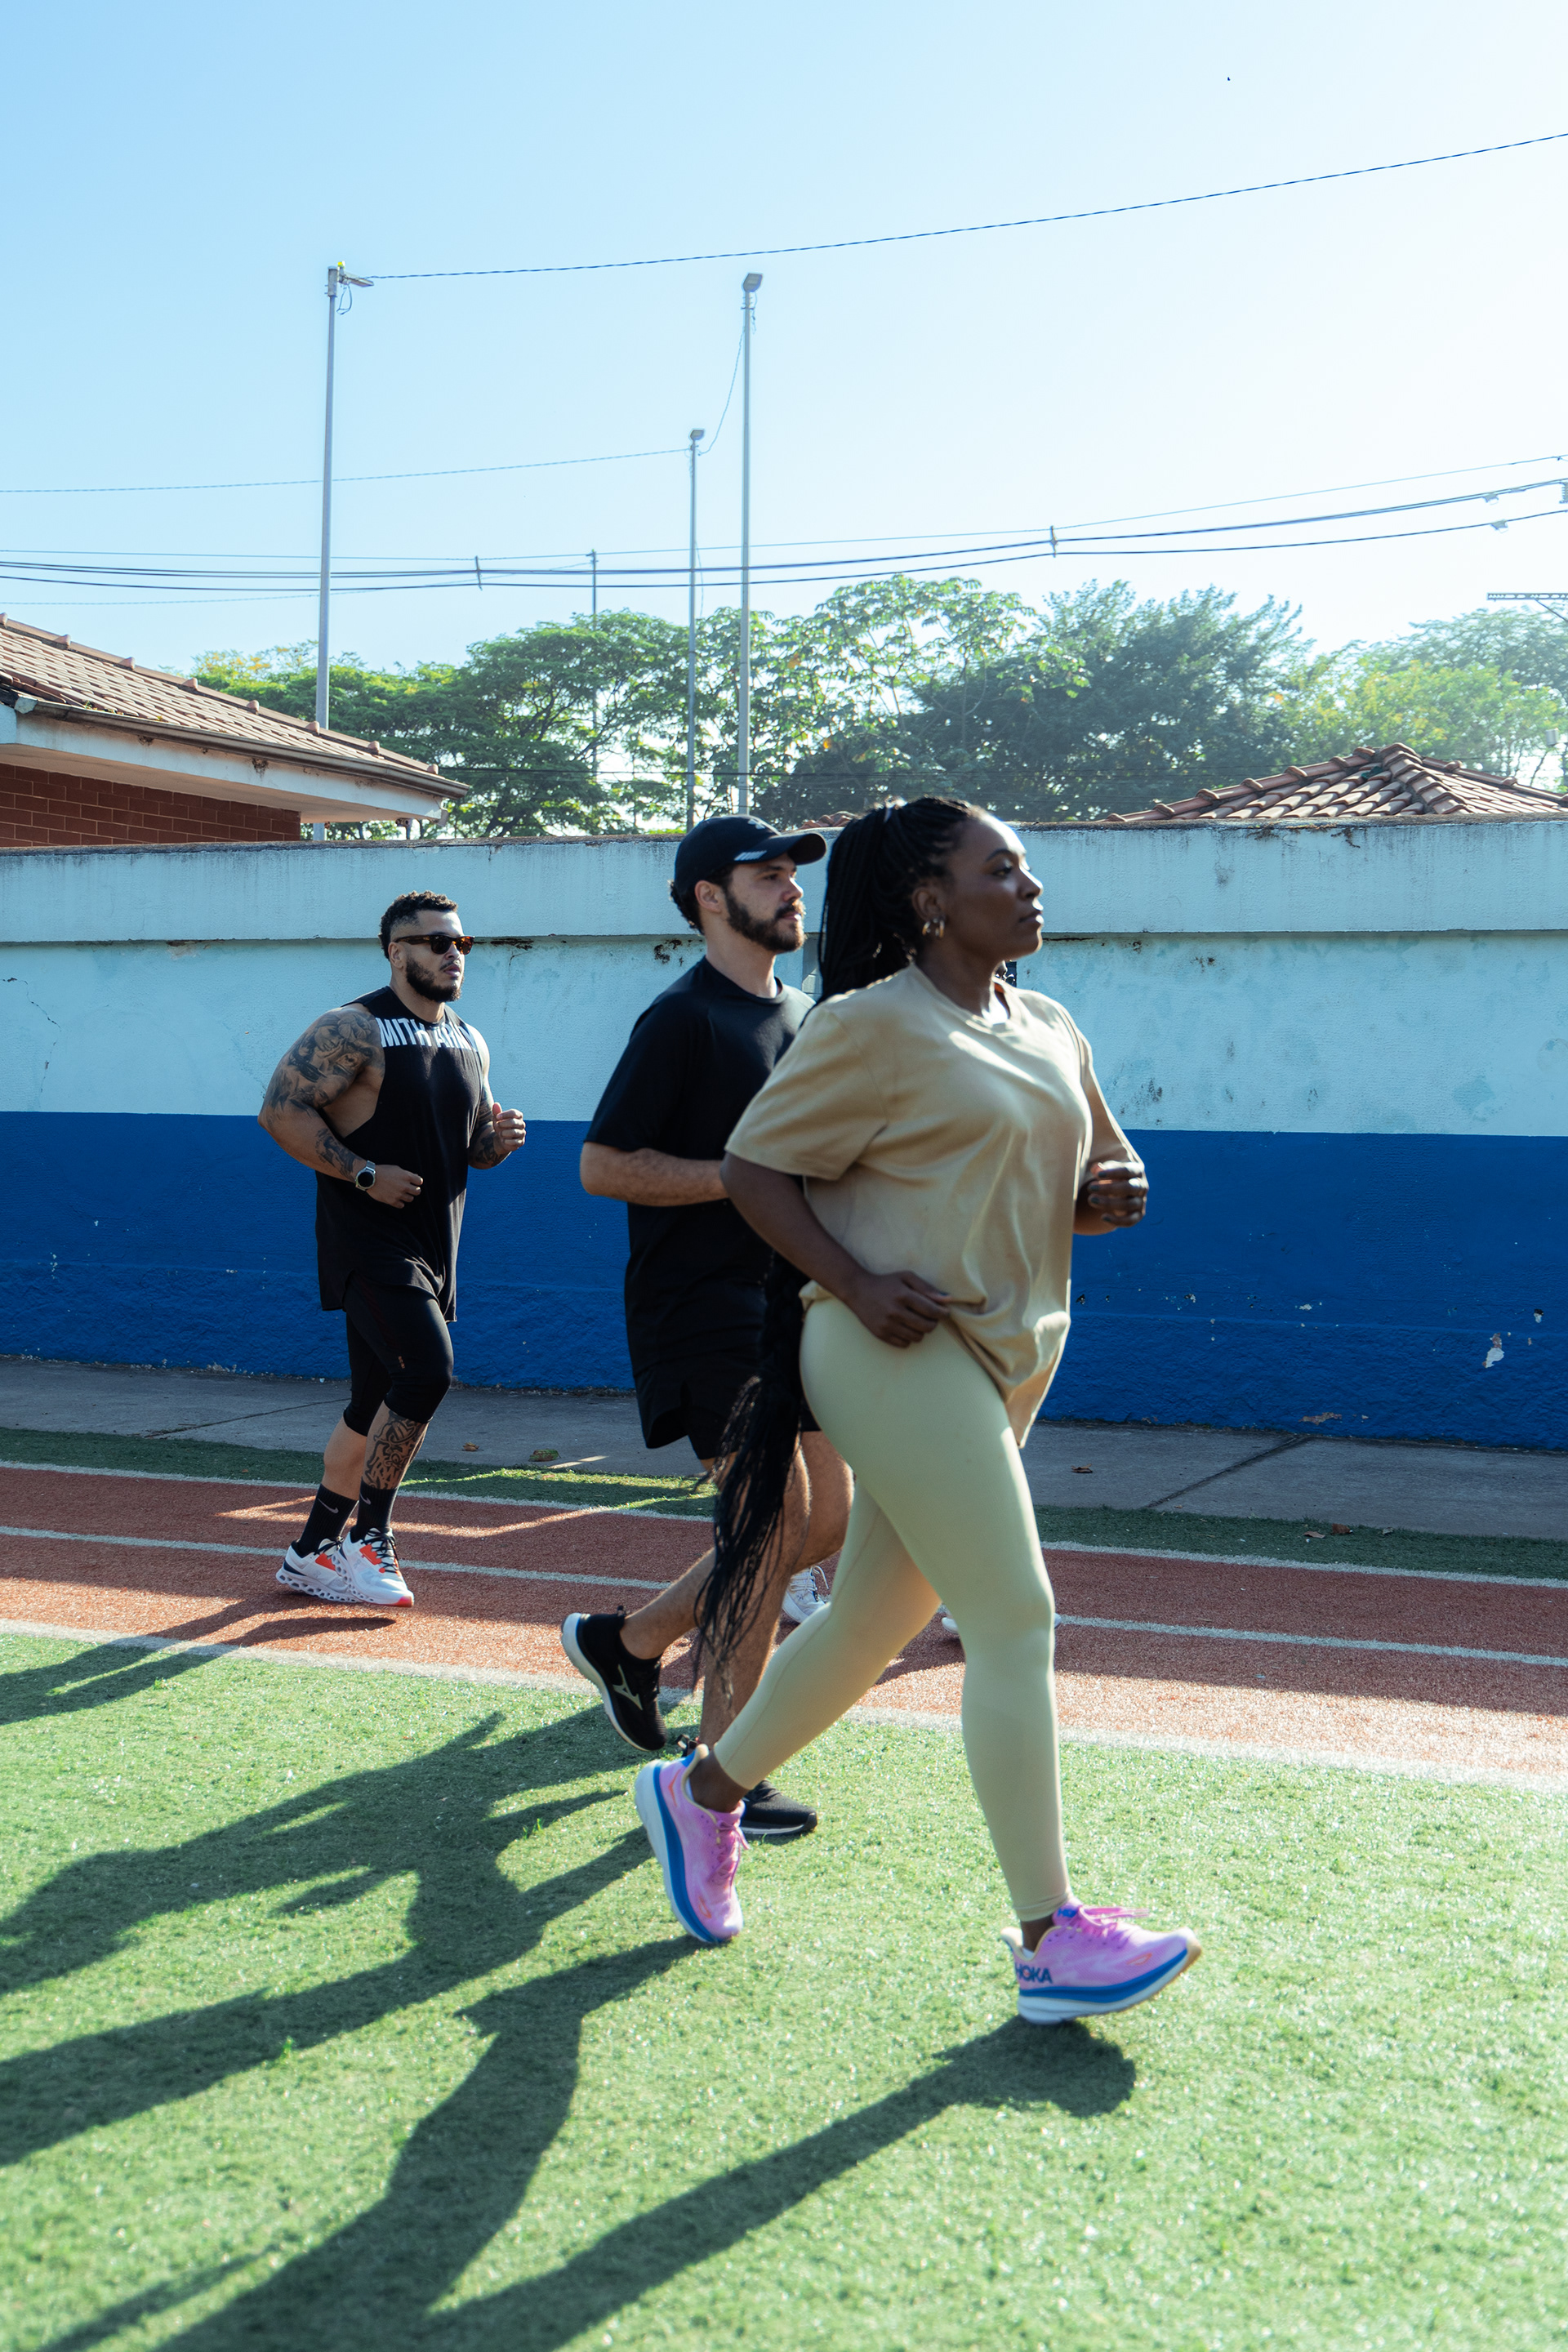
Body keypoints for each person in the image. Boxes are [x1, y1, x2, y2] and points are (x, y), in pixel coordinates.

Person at [632, 795, 1202, 2027]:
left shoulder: (1050, 1026)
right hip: (891, 1344)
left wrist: (1110, 1196)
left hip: (1012, 1354)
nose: (1031, 887)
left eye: (1029, 867)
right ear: (930, 899)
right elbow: (754, 1168)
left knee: (869, 1622)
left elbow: (1084, 1183)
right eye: (1003, 869)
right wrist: (851, 1282)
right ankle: (1052, 1937)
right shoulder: (867, 1025)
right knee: (1014, 1615)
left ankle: (702, 1794)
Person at [560, 814, 853, 1842]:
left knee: (829, 1520)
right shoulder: (681, 1019)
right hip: (698, 1306)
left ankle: (632, 1643)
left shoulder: (804, 1014)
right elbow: (603, 1164)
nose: (790, 886)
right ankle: (722, 1766)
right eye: (765, 874)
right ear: (707, 898)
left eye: (793, 873)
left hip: (790, 1304)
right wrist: (737, 1179)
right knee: (771, 1520)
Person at [258, 890, 526, 1609]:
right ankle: (369, 1536)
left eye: (461, 943)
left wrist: (495, 1143)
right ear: (395, 950)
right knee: (427, 1373)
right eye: (437, 942)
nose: (453, 954)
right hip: (367, 1242)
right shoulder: (353, 1027)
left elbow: (471, 1147)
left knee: (372, 1401)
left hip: (436, 1246)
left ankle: (309, 1552)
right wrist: (363, 1173)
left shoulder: (469, 1039)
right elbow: (279, 1111)